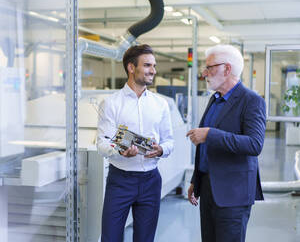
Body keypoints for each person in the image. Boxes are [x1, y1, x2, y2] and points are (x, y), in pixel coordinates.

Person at [186, 44, 266, 242]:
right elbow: (206, 149)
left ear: (227, 69)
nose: (204, 73)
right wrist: (197, 179)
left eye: (210, 67)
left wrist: (210, 135)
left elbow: (254, 144)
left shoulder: (251, 100)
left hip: (233, 194)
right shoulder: (215, 99)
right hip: (207, 188)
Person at [96, 44, 174, 242]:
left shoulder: (160, 104)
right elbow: (102, 144)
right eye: (147, 65)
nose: (153, 71)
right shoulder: (111, 103)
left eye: (154, 66)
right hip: (120, 181)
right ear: (131, 67)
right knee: (111, 237)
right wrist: (120, 151)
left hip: (151, 180)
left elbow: (169, 141)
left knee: (145, 239)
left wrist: (161, 149)